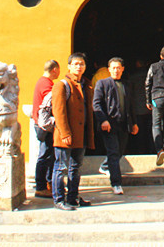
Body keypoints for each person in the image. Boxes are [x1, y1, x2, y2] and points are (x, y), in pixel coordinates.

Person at [51, 52, 95, 211]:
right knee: (61, 167)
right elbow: (59, 111)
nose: (79, 67)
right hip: (66, 136)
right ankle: (59, 199)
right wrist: (65, 133)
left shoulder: (85, 84)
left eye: (81, 64)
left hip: (80, 134)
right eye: (75, 64)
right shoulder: (62, 85)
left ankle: (73, 197)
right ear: (69, 66)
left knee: (75, 167)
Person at [93, 57, 138, 195]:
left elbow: (131, 105)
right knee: (113, 152)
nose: (116, 70)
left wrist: (134, 123)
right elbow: (96, 104)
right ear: (109, 69)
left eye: (118, 68)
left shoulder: (127, 84)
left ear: (123, 69)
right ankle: (116, 183)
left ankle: (105, 166)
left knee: (119, 152)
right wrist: (103, 120)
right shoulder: (102, 83)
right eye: (113, 68)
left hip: (123, 124)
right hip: (109, 125)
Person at [32, 60, 60, 198]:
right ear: (54, 69)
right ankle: (41, 186)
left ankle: (47, 183)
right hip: (44, 125)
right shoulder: (46, 84)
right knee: (45, 155)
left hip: (41, 124)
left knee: (48, 154)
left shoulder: (42, 82)